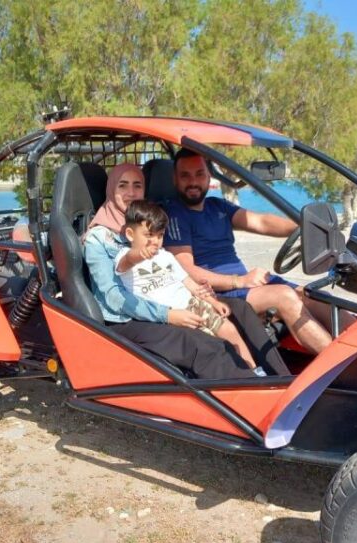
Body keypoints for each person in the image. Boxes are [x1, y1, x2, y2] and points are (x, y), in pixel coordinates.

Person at [82, 163, 288, 379]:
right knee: (202, 343)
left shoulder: (149, 223)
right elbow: (114, 297)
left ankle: (278, 378)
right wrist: (167, 315)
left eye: (137, 186)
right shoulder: (101, 237)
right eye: (123, 186)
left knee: (238, 309)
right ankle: (247, 393)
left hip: (169, 300)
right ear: (111, 189)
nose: (131, 193)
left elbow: (175, 271)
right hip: (126, 317)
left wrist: (204, 295)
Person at [163, 148, 335, 354]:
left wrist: (305, 227)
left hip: (245, 287)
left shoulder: (217, 206)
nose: (193, 182)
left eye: (199, 174)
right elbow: (186, 269)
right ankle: (341, 367)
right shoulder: (173, 214)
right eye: (185, 176)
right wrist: (239, 281)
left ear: (209, 176)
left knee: (315, 297)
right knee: (284, 296)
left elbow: (261, 221)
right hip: (218, 295)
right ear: (174, 179)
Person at [116, 200, 263, 373]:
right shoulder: (124, 257)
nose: (155, 241)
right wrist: (139, 256)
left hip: (192, 303)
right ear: (130, 234)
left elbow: (190, 284)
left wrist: (213, 302)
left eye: (160, 235)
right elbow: (126, 263)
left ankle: (255, 371)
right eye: (149, 235)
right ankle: (237, 377)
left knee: (229, 329)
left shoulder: (166, 257)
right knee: (214, 343)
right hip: (170, 314)